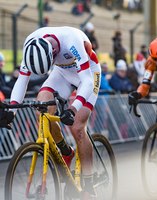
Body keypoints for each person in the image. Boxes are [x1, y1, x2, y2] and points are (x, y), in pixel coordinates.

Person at [0, 26, 101, 200]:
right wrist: (12, 111)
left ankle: (89, 185)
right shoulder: (30, 45)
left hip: (88, 72)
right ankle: (66, 152)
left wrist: (73, 108)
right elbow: (22, 81)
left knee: (77, 127)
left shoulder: (72, 41)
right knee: (42, 111)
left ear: (53, 52)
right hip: (61, 73)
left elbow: (86, 81)